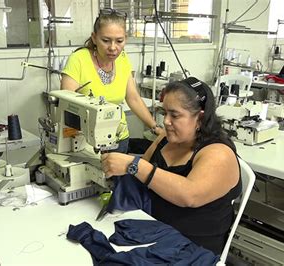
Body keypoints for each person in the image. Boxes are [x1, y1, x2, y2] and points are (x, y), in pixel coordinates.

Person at [101, 77, 242, 255]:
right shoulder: (166, 139)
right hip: (150, 233)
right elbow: (140, 179)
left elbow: (189, 195)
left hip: (192, 249)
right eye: (164, 112)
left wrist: (133, 165)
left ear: (200, 118)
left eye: (174, 115)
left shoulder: (218, 153)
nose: (166, 121)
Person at [60, 8, 163, 153]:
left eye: (119, 41)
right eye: (106, 40)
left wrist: (155, 127)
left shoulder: (123, 59)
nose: (113, 48)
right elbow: (67, 104)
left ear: (125, 38)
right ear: (94, 38)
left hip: (119, 139)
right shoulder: (79, 60)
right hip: (86, 141)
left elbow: (133, 97)